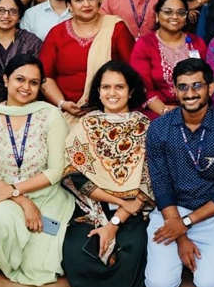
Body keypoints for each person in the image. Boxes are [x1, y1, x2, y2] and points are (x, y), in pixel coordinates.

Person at [0, 54, 74, 285]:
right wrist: (23, 201)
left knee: (39, 268)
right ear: (6, 79)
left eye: (34, 82)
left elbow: (56, 170)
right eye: (20, 79)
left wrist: (15, 190)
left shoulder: (50, 115)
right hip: (1, 197)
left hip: (47, 196)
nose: (26, 87)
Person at [144, 58, 214, 287]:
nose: (190, 93)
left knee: (212, 284)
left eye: (197, 86)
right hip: (170, 214)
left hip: (212, 216)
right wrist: (180, 234)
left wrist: (187, 222)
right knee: (159, 284)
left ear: (210, 88)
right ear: (175, 90)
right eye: (183, 87)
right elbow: (161, 184)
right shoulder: (159, 128)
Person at [60, 61, 153, 287]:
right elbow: (74, 175)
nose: (112, 93)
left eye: (119, 87)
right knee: (78, 256)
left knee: (129, 257)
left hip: (131, 213)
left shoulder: (145, 127)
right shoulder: (86, 125)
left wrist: (114, 223)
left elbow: (147, 182)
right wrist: (117, 199)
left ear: (131, 91)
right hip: (92, 208)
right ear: (98, 91)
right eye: (106, 87)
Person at [39, 0, 135, 120]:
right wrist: (62, 103)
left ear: (99, 0)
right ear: (69, 6)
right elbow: (45, 77)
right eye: (79, 0)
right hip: (64, 112)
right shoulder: (57, 34)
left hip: (109, 110)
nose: (86, 4)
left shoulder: (116, 28)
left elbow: (132, 72)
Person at [130, 0, 208, 120]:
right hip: (158, 112)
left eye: (181, 13)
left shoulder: (197, 43)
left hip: (196, 109)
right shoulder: (145, 45)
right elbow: (144, 88)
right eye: (168, 12)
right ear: (157, 15)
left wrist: (193, 110)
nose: (175, 16)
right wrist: (165, 111)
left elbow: (207, 81)